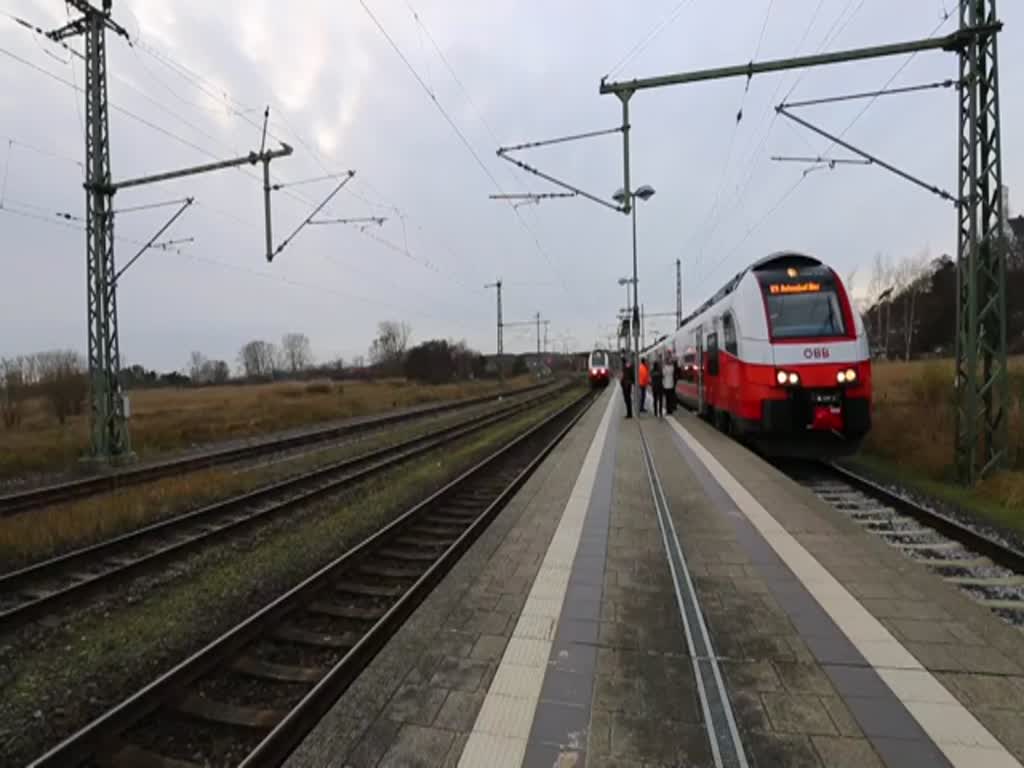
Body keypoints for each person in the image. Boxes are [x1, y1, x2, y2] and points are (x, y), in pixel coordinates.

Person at [620, 353, 634, 419]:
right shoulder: (627, 366)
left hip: (626, 385)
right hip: (627, 384)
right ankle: (629, 413)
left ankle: (629, 414)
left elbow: (626, 376)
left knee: (627, 399)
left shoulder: (626, 366)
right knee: (627, 399)